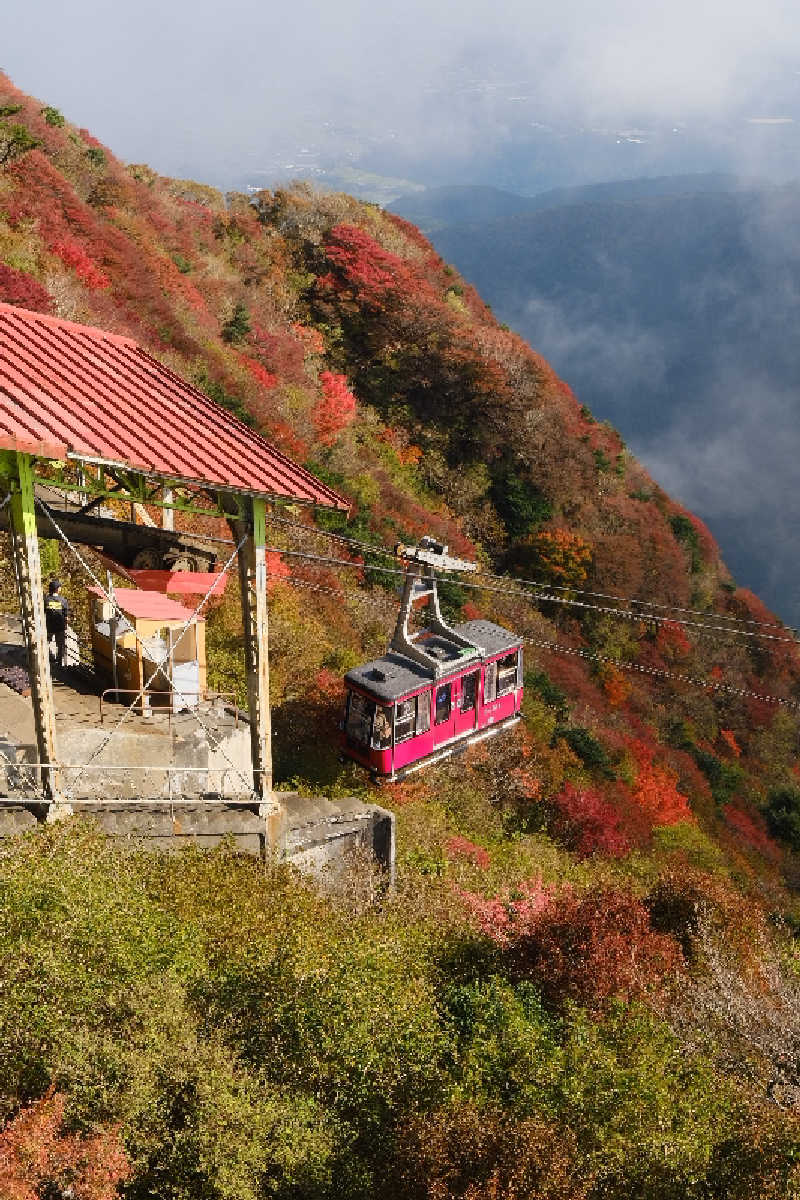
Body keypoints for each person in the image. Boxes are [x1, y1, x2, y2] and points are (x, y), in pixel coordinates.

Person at [44, 577, 69, 667]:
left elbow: (43, 612)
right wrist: (65, 625)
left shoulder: (46, 600)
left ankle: (49, 658)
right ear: (57, 589)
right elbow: (66, 615)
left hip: (49, 626)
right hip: (60, 627)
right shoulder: (63, 600)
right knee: (60, 645)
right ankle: (59, 662)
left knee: (46, 642)